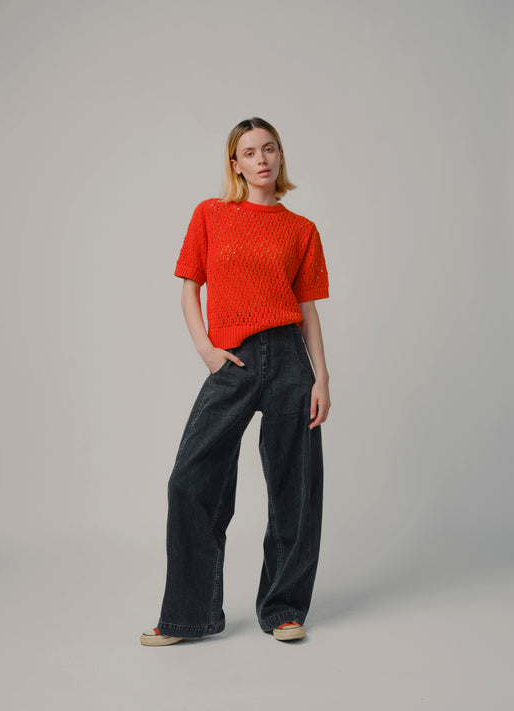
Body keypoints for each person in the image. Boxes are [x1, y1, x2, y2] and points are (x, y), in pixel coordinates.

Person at [141, 117, 330, 646]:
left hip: (291, 360)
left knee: (295, 487)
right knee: (191, 480)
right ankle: (188, 616)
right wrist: (206, 349)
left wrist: (322, 377)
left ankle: (284, 608)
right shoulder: (211, 214)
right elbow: (189, 287)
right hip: (233, 360)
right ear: (235, 164)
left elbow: (308, 310)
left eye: (269, 149)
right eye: (249, 152)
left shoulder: (301, 229)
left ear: (280, 156)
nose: (261, 159)